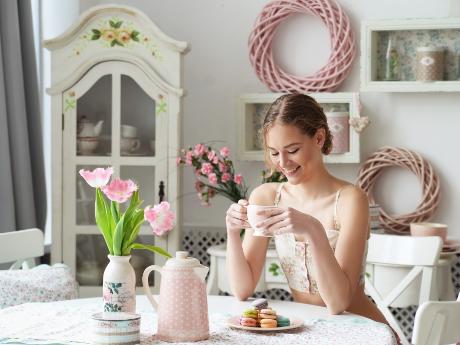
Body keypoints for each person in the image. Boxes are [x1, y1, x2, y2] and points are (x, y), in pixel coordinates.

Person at [225, 93, 388, 325]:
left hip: (361, 329)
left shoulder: (351, 200)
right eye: (274, 152)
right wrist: (232, 231)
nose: (282, 162)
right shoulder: (267, 196)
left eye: (292, 150)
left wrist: (313, 229)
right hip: (310, 331)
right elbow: (242, 289)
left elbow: (338, 302)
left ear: (319, 138)